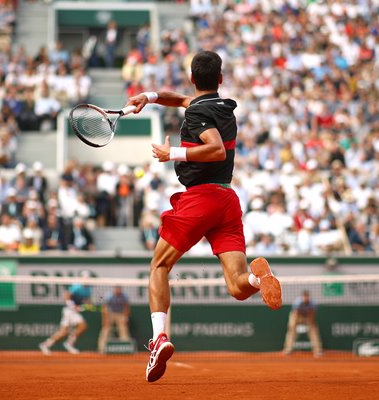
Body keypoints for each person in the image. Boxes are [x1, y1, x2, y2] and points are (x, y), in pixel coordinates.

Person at [126, 50, 282, 383]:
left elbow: (215, 149)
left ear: (193, 78)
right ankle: (260, 280)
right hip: (227, 200)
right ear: (220, 80)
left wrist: (173, 153)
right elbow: (182, 99)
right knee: (238, 286)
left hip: (200, 198)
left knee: (159, 266)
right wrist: (149, 97)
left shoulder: (197, 115)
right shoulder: (222, 107)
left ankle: (159, 339)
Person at [39, 270, 92, 355]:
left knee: (79, 327)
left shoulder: (89, 289)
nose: (86, 280)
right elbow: (66, 296)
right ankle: (48, 344)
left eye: (87, 278)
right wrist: (73, 306)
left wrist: (86, 304)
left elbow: (88, 300)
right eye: (84, 278)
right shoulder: (76, 286)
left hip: (74, 312)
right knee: (66, 331)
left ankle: (63, 343)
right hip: (68, 310)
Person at [283, 290, 323, 357]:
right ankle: (288, 350)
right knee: (291, 330)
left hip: (308, 316)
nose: (306, 298)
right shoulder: (297, 302)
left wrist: (311, 323)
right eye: (304, 297)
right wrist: (294, 325)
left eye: (307, 296)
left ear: (309, 297)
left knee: (314, 331)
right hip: (297, 316)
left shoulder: (313, 304)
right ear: (302, 297)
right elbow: (296, 313)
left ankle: (317, 351)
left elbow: (312, 314)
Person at [97, 286, 131, 353]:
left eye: (119, 289)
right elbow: (104, 307)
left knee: (123, 329)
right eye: (116, 289)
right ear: (114, 289)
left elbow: (126, 307)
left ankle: (126, 347)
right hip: (110, 313)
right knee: (106, 329)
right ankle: (101, 348)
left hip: (120, 314)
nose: (117, 290)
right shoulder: (109, 295)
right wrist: (105, 319)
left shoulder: (124, 296)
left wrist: (126, 318)